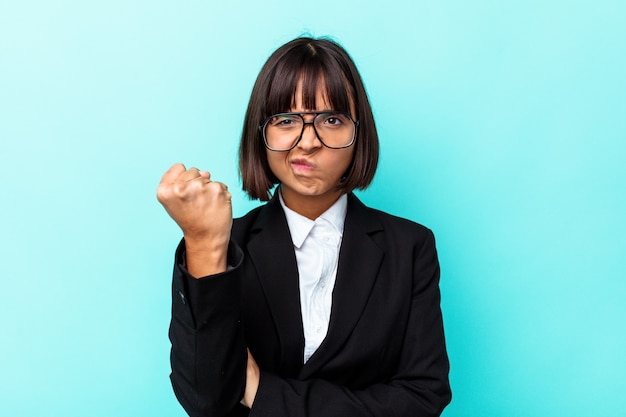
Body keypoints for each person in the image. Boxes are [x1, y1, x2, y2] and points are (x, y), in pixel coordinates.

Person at [157, 36, 451, 417]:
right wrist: (204, 241)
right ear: (260, 133)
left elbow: (422, 398)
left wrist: (261, 391)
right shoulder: (222, 246)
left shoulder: (409, 247)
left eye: (331, 119)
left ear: (357, 132)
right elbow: (205, 398)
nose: (307, 142)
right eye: (286, 120)